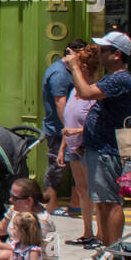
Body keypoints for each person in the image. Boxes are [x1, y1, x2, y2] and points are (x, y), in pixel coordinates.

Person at [64, 31, 131, 260]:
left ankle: (115, 252)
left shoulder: (120, 79)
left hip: (108, 148)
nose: (100, 54)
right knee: (101, 203)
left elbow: (85, 92)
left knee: (111, 201)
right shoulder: (112, 78)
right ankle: (106, 248)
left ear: (117, 54)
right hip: (98, 147)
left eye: (104, 50)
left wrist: (75, 66)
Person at [57, 44, 99, 246]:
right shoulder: (76, 89)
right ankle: (87, 231)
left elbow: (99, 125)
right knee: (82, 190)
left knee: (94, 191)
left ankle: (99, 234)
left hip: (88, 147)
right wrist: (63, 146)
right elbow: (69, 120)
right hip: (74, 147)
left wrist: (76, 132)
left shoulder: (93, 91)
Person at [41, 38, 86, 212]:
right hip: (59, 128)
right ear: (69, 52)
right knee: (57, 165)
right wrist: (68, 129)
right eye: (79, 55)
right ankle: (51, 204)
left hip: (67, 128)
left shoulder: (68, 71)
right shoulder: (60, 73)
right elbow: (60, 103)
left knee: (76, 165)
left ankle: (76, 203)